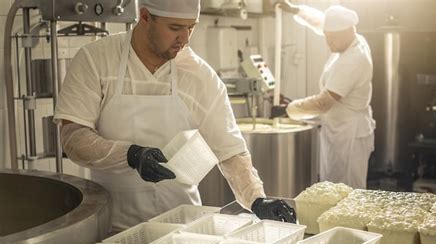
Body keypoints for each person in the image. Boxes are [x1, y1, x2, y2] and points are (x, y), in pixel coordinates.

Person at [54, 0, 296, 232]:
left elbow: (230, 150)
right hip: (112, 225)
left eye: (191, 27)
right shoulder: (96, 60)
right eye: (175, 28)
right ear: (145, 16)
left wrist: (256, 200)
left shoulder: (199, 76)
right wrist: (131, 155)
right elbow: (74, 137)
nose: (185, 39)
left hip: (182, 225)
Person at [280, 3, 375, 189]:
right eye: (326, 37)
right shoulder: (349, 38)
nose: (328, 42)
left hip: (349, 134)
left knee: (348, 189)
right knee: (333, 186)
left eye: (333, 38)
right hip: (338, 129)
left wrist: (289, 109)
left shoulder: (353, 59)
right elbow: (320, 22)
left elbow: (323, 103)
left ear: (349, 31)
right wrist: (294, 9)